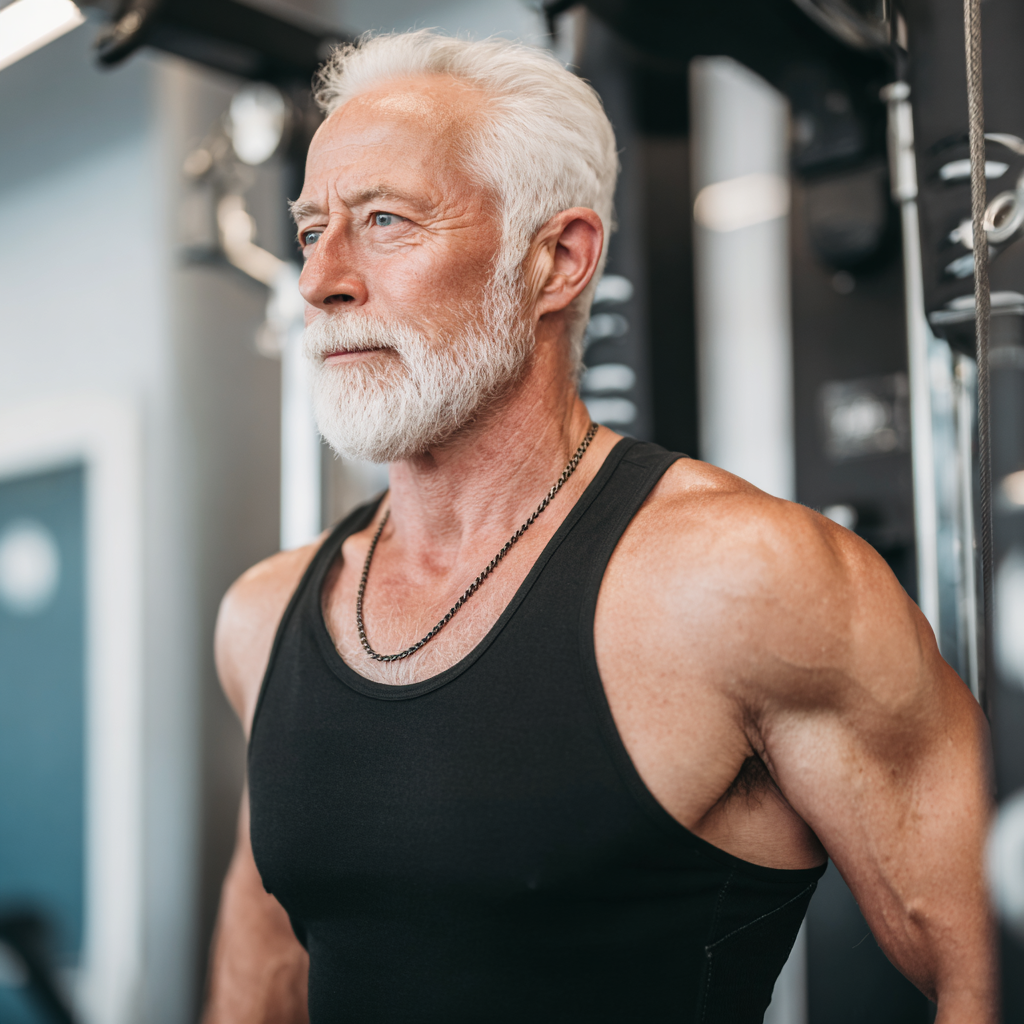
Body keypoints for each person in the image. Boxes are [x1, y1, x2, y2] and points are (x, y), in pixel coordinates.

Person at [202, 30, 995, 1024]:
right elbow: (267, 963)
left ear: (556, 261)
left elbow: (989, 964)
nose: (320, 281)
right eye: (314, 229)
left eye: (387, 221)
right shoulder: (266, 614)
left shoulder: (749, 580)